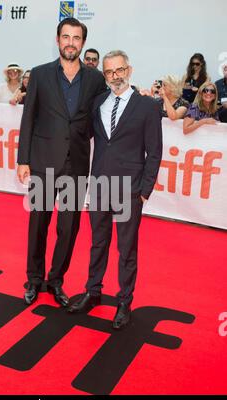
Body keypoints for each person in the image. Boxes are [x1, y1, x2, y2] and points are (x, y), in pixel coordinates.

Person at [68, 50, 163, 330]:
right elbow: (89, 138)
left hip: (129, 190)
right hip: (99, 186)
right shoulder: (99, 103)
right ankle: (93, 292)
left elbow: (154, 152)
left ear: (129, 70)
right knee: (98, 243)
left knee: (126, 249)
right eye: (109, 72)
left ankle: (124, 301)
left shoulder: (147, 106)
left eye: (119, 70)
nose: (115, 76)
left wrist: (144, 191)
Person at [17, 18, 106, 307]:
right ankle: (33, 278)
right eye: (65, 37)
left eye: (76, 38)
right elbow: (28, 117)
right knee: (38, 223)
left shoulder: (94, 79)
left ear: (82, 42)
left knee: (68, 228)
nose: (70, 42)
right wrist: (23, 160)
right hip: (43, 163)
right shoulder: (41, 75)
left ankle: (55, 280)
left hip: (76, 165)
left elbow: (102, 115)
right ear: (57, 40)